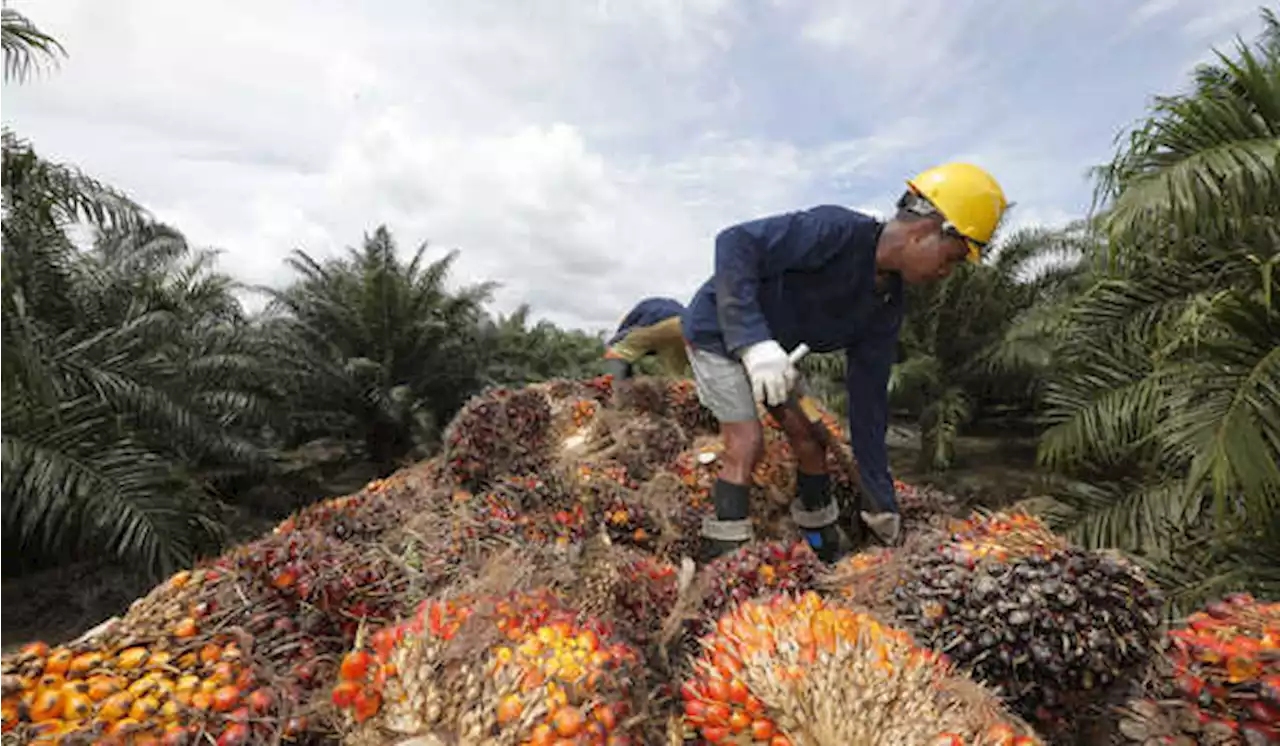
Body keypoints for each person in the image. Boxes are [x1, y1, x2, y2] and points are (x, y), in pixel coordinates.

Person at [680, 162, 1008, 563]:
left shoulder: (885, 306)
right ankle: (726, 556)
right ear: (925, 232)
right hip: (718, 331)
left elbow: (868, 405)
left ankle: (821, 544)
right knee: (747, 442)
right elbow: (735, 242)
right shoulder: (836, 231)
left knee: (812, 438)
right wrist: (752, 343)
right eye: (952, 258)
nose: (946, 272)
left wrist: (881, 498)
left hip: (775, 356)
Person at [602, 296, 692, 380]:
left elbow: (621, 336)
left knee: (618, 351)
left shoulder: (634, 317)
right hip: (683, 326)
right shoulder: (673, 305)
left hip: (657, 321)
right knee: (676, 374)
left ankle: (613, 386)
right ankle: (681, 392)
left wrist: (612, 346)